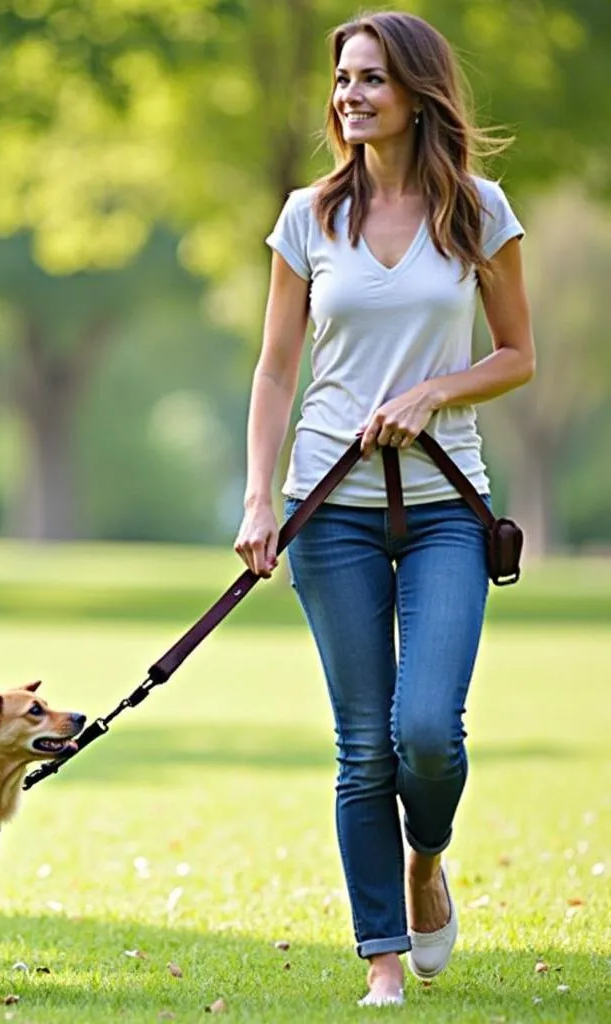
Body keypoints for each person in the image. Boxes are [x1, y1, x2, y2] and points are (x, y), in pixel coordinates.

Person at [233, 10, 535, 1008]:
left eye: (369, 79)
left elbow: (516, 354)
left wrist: (432, 392)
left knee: (428, 732)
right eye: (342, 79)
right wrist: (256, 501)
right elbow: (276, 371)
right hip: (329, 505)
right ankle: (379, 959)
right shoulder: (307, 216)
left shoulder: (478, 211)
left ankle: (425, 859)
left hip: (449, 503)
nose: (349, 96)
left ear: (415, 92)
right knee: (363, 745)